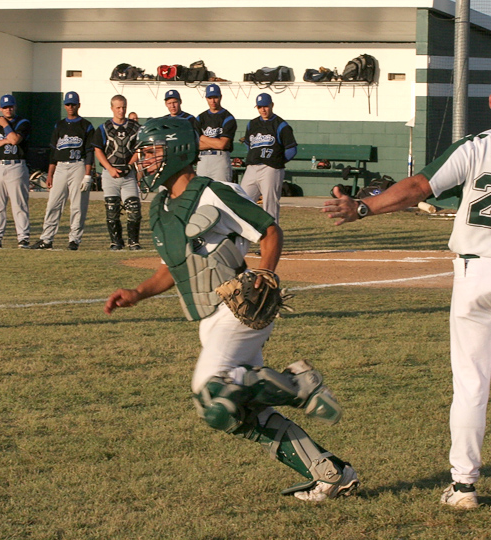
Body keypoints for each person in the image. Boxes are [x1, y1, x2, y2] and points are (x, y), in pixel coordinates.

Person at [324, 66, 491, 512]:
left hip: (473, 272)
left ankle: (463, 487)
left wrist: (363, 208)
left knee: (469, 384)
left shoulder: (474, 146)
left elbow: (415, 188)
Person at [106, 117, 359, 503]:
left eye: (152, 152)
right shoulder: (160, 207)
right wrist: (138, 293)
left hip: (239, 307)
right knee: (240, 415)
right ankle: (331, 473)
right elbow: (172, 268)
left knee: (210, 393)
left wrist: (266, 273)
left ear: (177, 151)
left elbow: (269, 230)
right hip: (210, 320)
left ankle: (298, 385)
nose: (144, 161)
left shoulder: (212, 192)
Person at [30, 91, 95, 251]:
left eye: (73, 104)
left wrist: (88, 174)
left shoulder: (86, 126)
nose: (70, 107)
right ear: (65, 105)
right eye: (68, 104)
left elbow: (89, 152)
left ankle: (74, 240)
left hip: (78, 165)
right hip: (60, 166)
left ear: (78, 105)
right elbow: (53, 152)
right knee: (53, 203)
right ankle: (46, 239)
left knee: (78, 205)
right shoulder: (59, 125)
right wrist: (50, 174)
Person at [0, 94, 32, 248]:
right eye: (5, 107)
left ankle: (23, 237)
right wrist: (5, 139)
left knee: (19, 204)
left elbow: (16, 140)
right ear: (0, 108)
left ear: (14, 107)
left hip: (16, 165)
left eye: (10, 106)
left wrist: (5, 125)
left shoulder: (22, 122)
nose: (8, 109)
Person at [93, 94, 142, 250]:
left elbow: (139, 149)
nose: (121, 111)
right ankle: (116, 242)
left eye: (124, 107)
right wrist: (109, 168)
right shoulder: (104, 128)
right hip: (110, 174)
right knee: (112, 208)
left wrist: (130, 165)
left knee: (133, 208)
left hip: (128, 174)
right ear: (112, 108)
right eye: (118, 107)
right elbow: (98, 150)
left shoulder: (134, 128)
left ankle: (133, 242)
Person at [240, 93, 298, 223]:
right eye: (260, 107)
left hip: (271, 169)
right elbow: (249, 146)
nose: (263, 110)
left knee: (270, 205)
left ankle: (272, 238)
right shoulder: (252, 124)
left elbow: (291, 150)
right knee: (243, 201)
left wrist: (277, 162)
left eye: (265, 106)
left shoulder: (281, 125)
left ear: (271, 105)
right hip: (252, 168)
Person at [196, 83, 236, 184]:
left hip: (220, 159)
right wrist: (215, 142)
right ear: (206, 98)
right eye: (210, 98)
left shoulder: (228, 117)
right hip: (203, 159)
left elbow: (222, 144)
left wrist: (202, 137)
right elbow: (196, 144)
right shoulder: (200, 118)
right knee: (201, 194)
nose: (213, 101)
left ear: (220, 97)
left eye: (215, 97)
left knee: (221, 193)